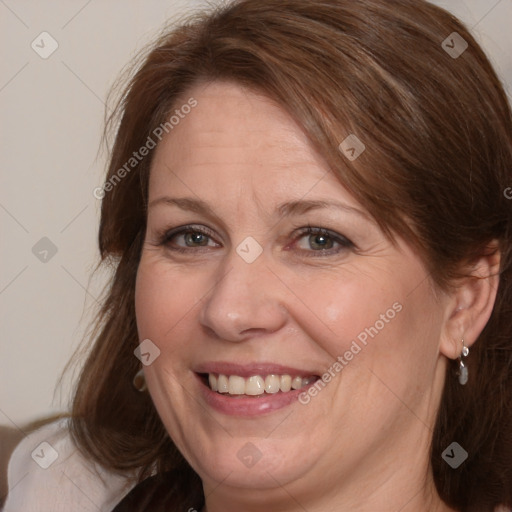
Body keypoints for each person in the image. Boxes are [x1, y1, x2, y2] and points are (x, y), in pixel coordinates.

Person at [3, 0, 512, 511]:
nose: (229, 311)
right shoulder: (58, 491)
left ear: (465, 300)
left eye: (319, 239)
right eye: (192, 237)